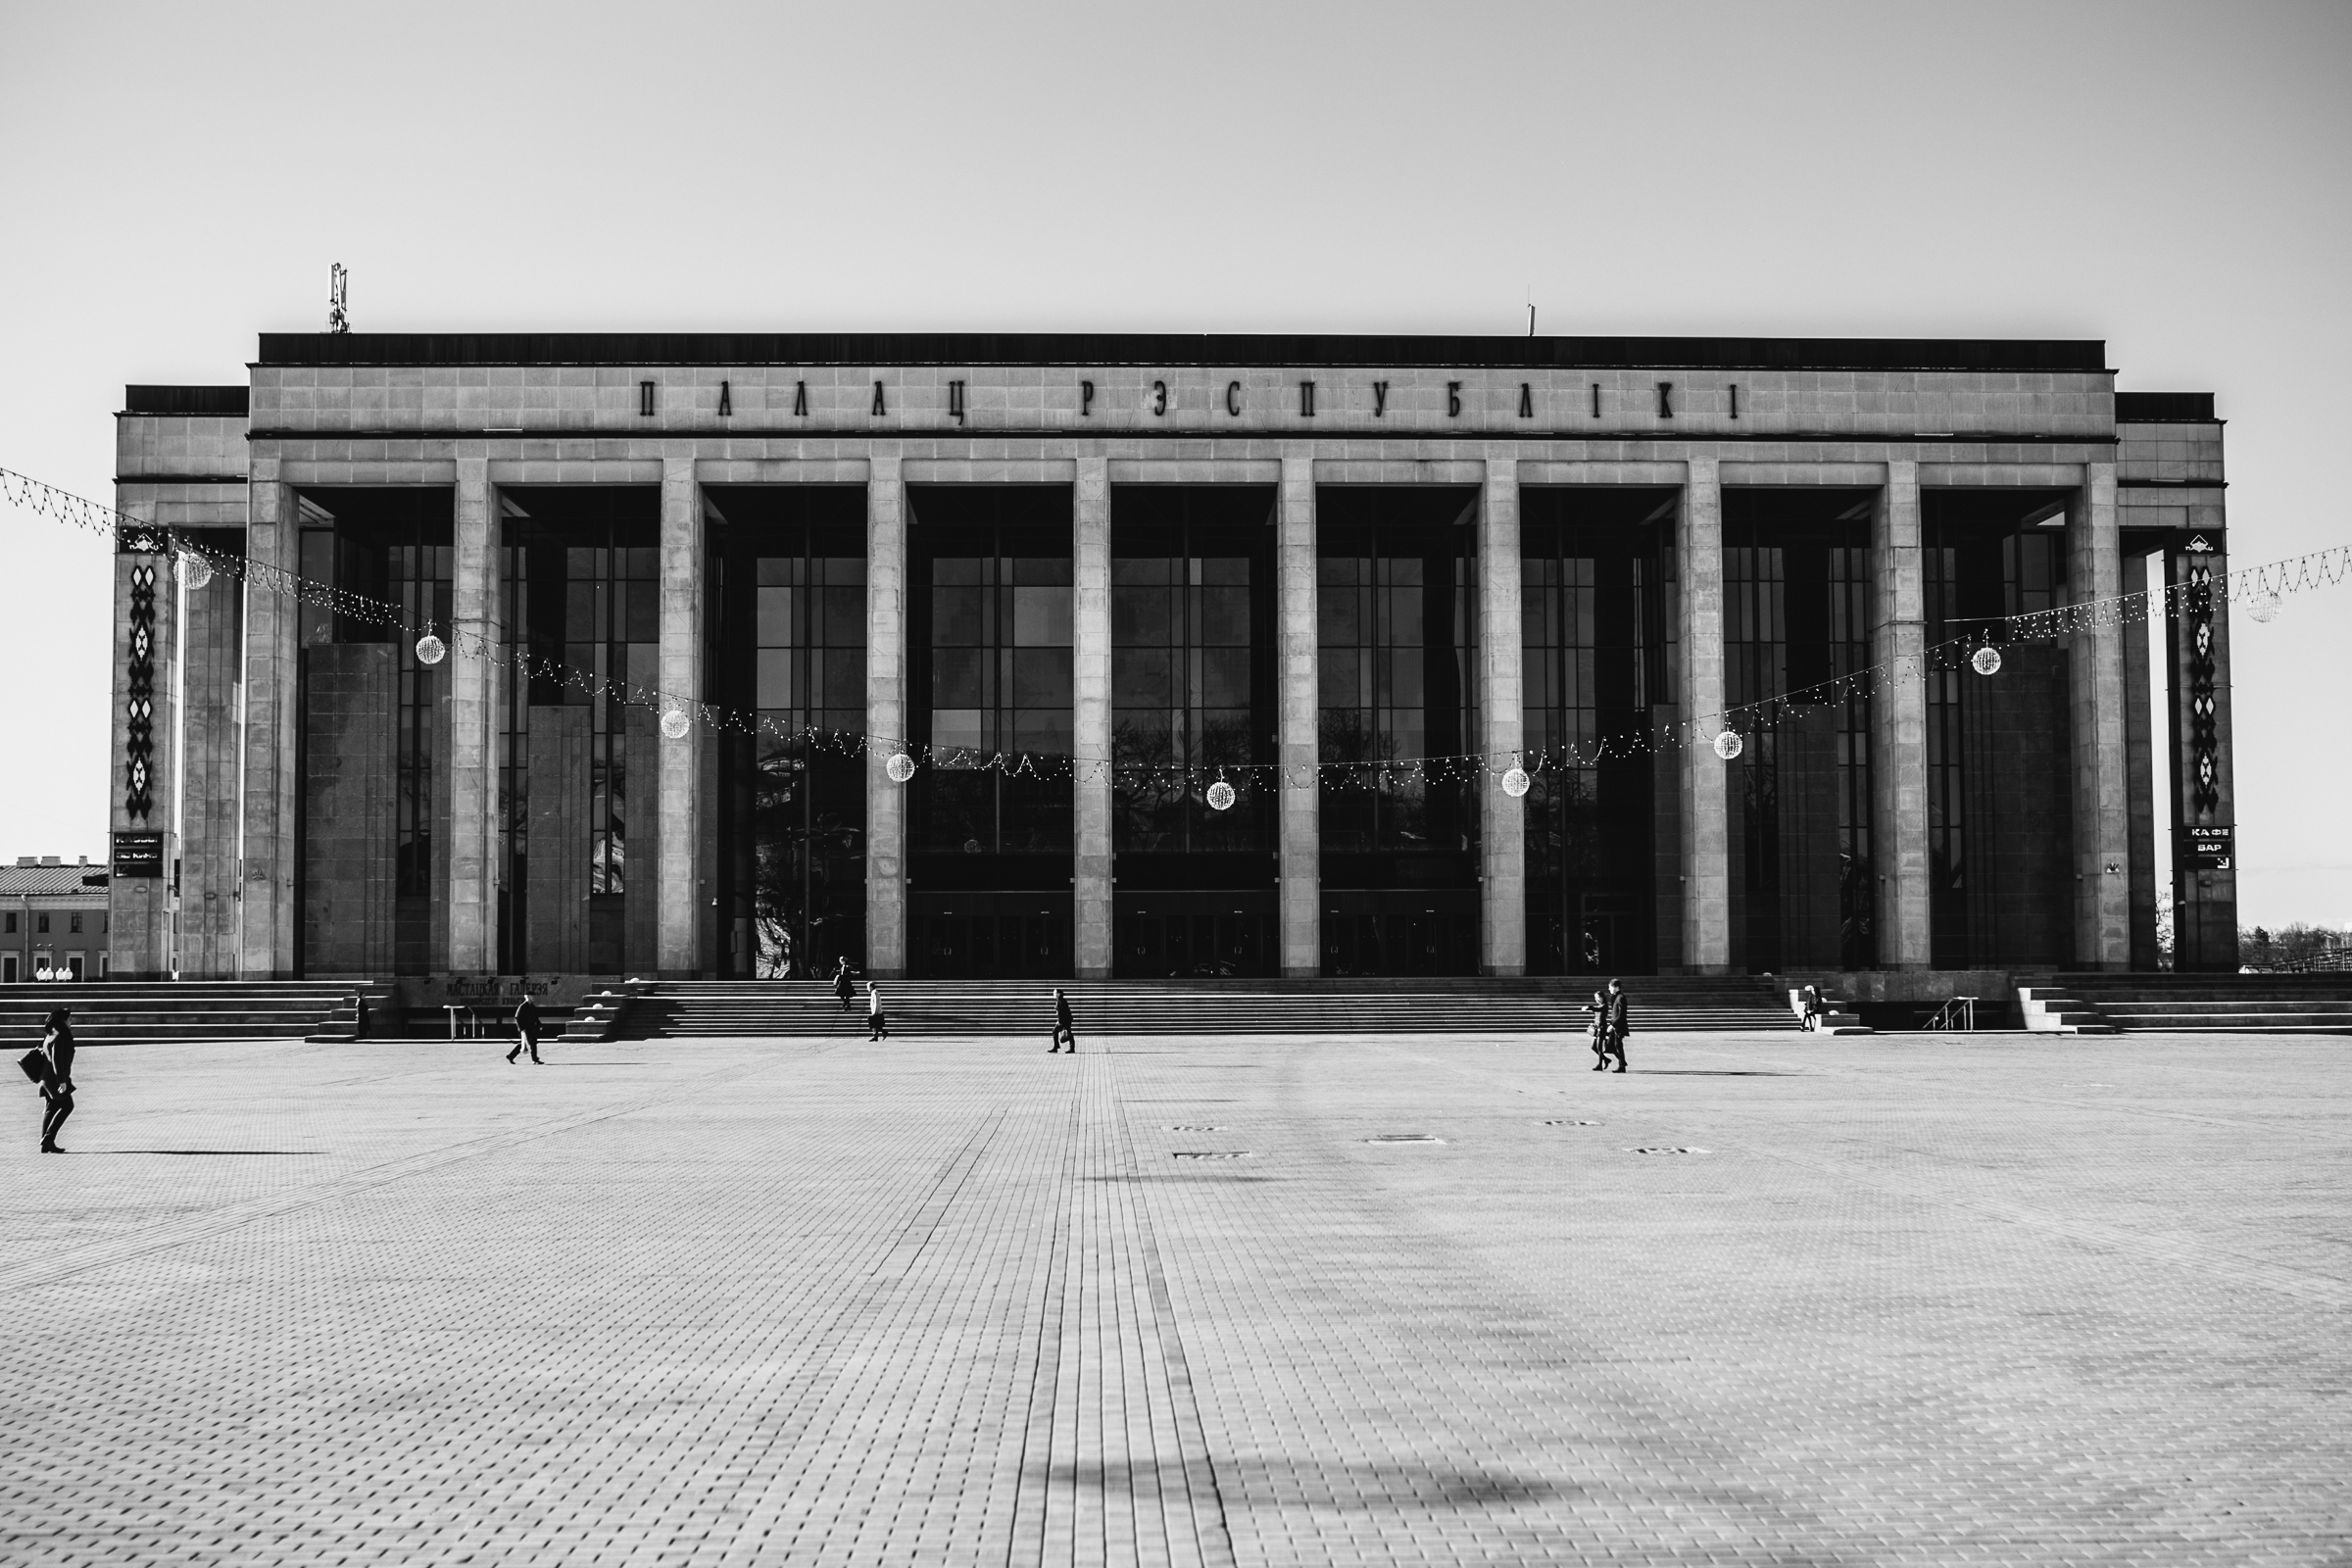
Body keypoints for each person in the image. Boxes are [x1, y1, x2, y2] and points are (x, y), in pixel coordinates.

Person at [36, 1007, 75, 1152]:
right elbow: (56, 1060)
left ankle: (45, 1144)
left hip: (46, 1079)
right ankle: (48, 1138)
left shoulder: (50, 1035)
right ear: (62, 1021)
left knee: (51, 1108)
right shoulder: (60, 1036)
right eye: (69, 1019)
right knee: (68, 1106)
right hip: (55, 1080)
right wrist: (61, 1081)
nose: (71, 1022)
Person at [1600, 978, 1631, 1073]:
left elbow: (1622, 1014)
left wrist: (1612, 1025)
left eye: (1610, 987)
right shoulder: (1615, 997)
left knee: (1618, 1045)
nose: (1609, 989)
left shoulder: (1621, 997)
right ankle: (1622, 1062)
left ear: (1616, 987)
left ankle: (1622, 1066)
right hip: (1615, 1025)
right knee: (1610, 1044)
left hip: (1619, 1026)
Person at [507, 996, 544, 1064]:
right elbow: (517, 1018)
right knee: (529, 1043)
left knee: (530, 1043)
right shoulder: (522, 1006)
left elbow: (535, 1017)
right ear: (528, 997)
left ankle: (511, 1056)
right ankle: (534, 1059)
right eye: (532, 996)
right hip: (525, 1029)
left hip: (531, 1028)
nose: (533, 998)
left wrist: (539, 1025)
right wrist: (521, 1029)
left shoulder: (532, 1006)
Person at [1587, 987, 1610, 1071]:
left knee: (1599, 1047)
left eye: (1597, 997)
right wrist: (1593, 1023)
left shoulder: (1604, 1006)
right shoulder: (1600, 1005)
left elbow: (1598, 1009)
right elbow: (1597, 1016)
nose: (1596, 999)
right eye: (1595, 997)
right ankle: (1606, 1060)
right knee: (1593, 1047)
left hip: (1602, 1028)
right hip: (1596, 1028)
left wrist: (1589, 1007)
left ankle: (1600, 1065)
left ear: (1602, 997)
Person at [1049, 987, 1076, 1054]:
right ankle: (1071, 1048)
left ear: (1059, 994)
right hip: (1066, 1020)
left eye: (1056, 993)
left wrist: (1059, 1022)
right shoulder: (1061, 1000)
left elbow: (1061, 1013)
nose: (1054, 995)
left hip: (1064, 1020)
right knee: (1069, 1033)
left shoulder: (1061, 1001)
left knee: (1055, 1031)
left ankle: (1056, 1047)